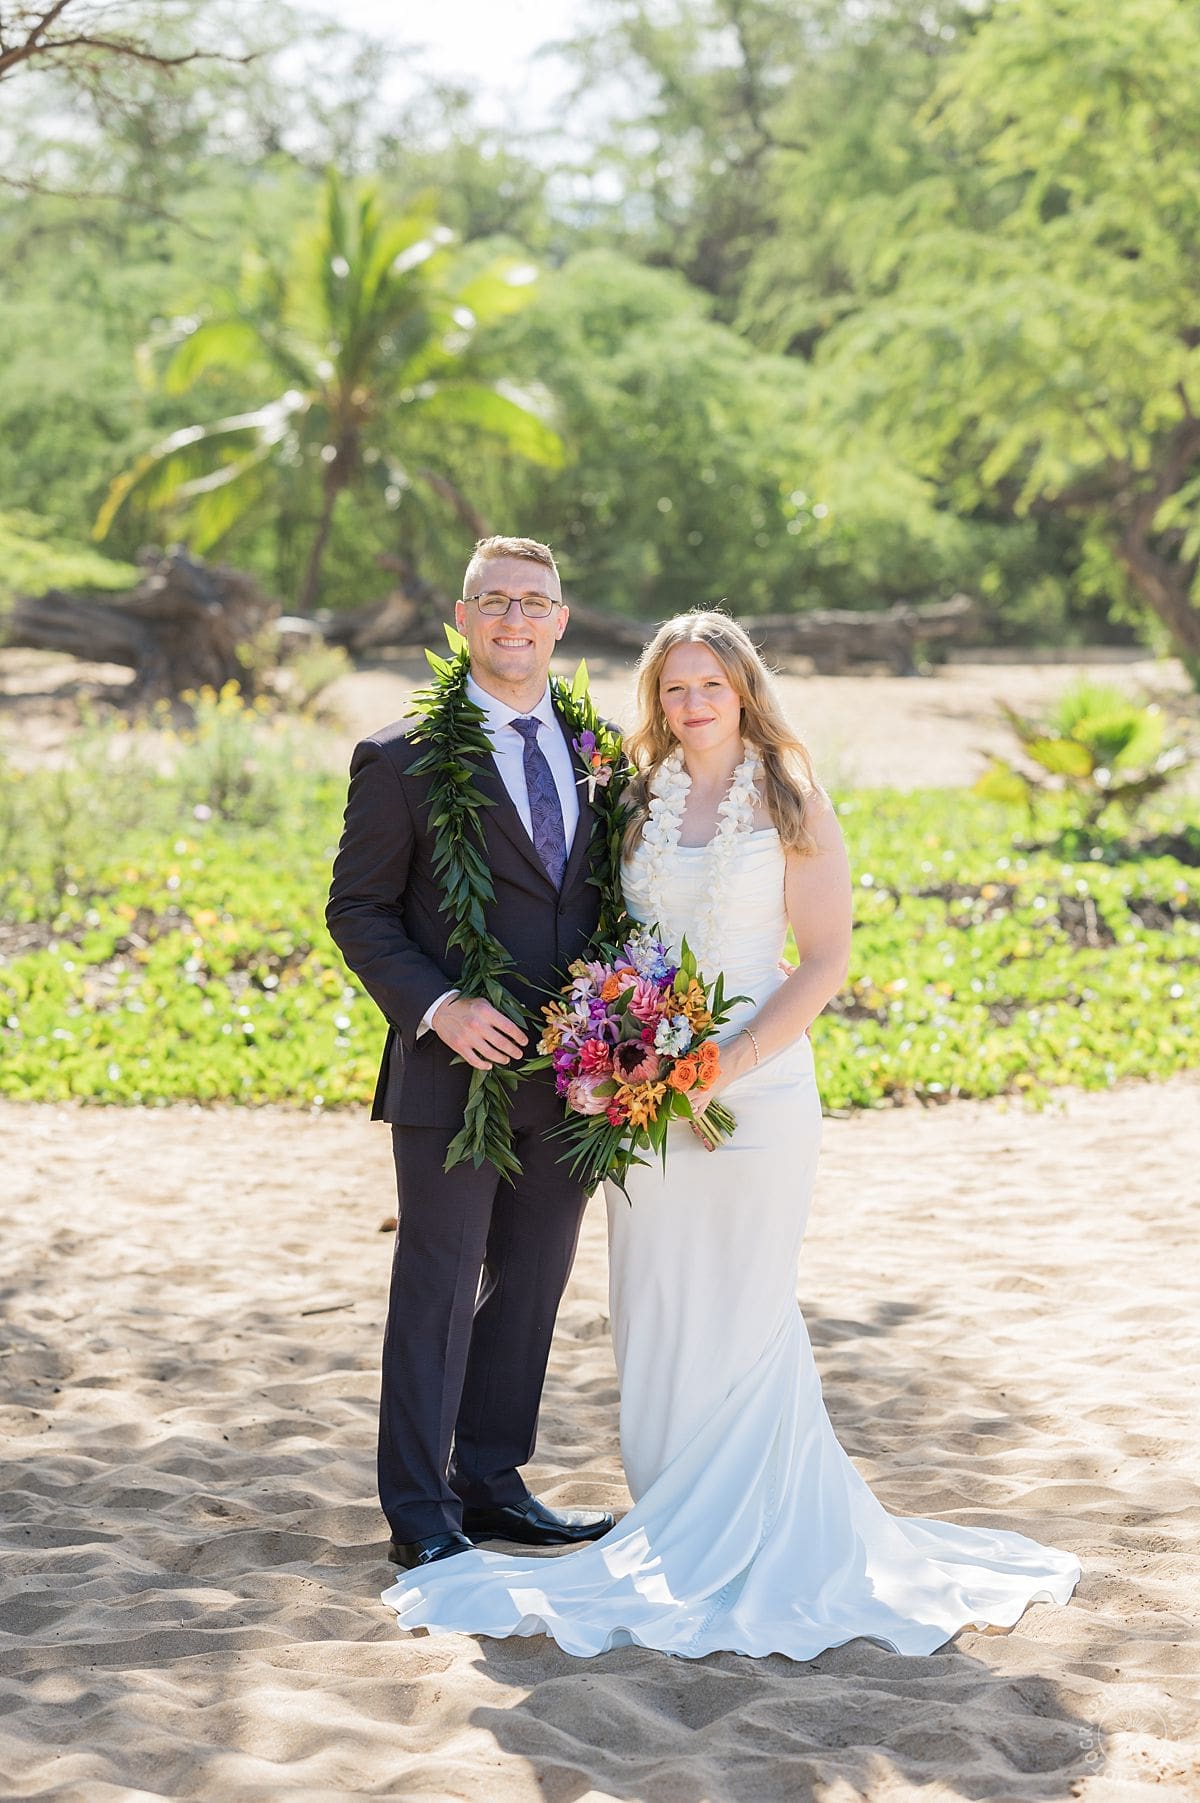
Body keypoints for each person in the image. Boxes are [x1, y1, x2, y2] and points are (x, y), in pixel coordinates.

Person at [378, 609, 1082, 1659]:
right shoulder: (634, 797)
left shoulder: (792, 798)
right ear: (654, 701)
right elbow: (606, 933)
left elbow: (822, 961)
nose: (691, 703)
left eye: (710, 684)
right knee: (655, 1305)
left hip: (754, 1094)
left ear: (745, 689)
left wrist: (721, 1063)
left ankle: (760, 1526)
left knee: (744, 1307)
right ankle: (673, 1518)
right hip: (643, 1099)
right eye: (673, 688)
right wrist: (613, 1047)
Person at [326, 535, 614, 1572]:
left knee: (533, 1283)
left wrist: (623, 1034)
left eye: (533, 602)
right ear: (461, 618)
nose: (513, 619)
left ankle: (490, 1483)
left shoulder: (603, 753)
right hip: (451, 1074)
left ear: (561, 622)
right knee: (438, 1287)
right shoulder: (399, 758)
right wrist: (438, 1007)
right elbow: (356, 911)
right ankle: (421, 1514)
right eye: (493, 601)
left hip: (574, 1076)